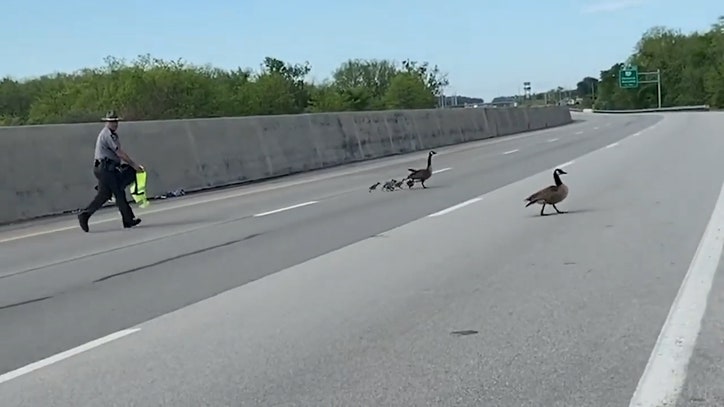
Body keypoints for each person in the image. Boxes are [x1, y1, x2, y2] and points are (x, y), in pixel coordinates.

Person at [77, 110, 144, 232]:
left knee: (104, 195)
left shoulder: (111, 134)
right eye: (112, 121)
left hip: (107, 168)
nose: (115, 124)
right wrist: (134, 165)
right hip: (105, 168)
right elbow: (119, 153)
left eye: (116, 121)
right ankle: (128, 220)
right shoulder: (107, 135)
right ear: (107, 122)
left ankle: (84, 215)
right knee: (119, 192)